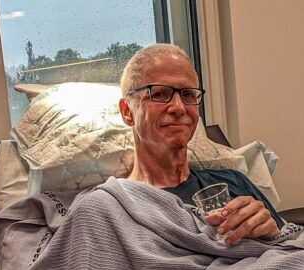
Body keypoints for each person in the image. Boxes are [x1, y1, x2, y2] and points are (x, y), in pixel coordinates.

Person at [118, 44, 284, 245]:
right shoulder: (114, 208)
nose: (179, 107)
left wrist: (273, 234)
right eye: (160, 93)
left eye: (188, 95)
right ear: (127, 111)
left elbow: (296, 250)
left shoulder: (234, 182)